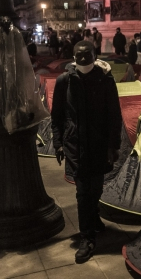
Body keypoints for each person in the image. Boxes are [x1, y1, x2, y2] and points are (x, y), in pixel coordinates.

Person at [51, 41, 122, 263]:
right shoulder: (65, 81)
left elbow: (114, 115)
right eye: (79, 56)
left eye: (87, 55)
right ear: (73, 57)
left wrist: (114, 145)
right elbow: (57, 116)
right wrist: (58, 143)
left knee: (97, 187)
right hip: (75, 144)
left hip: (99, 144)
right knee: (83, 192)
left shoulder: (105, 79)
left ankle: (94, 218)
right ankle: (87, 237)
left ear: (94, 55)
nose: (83, 60)